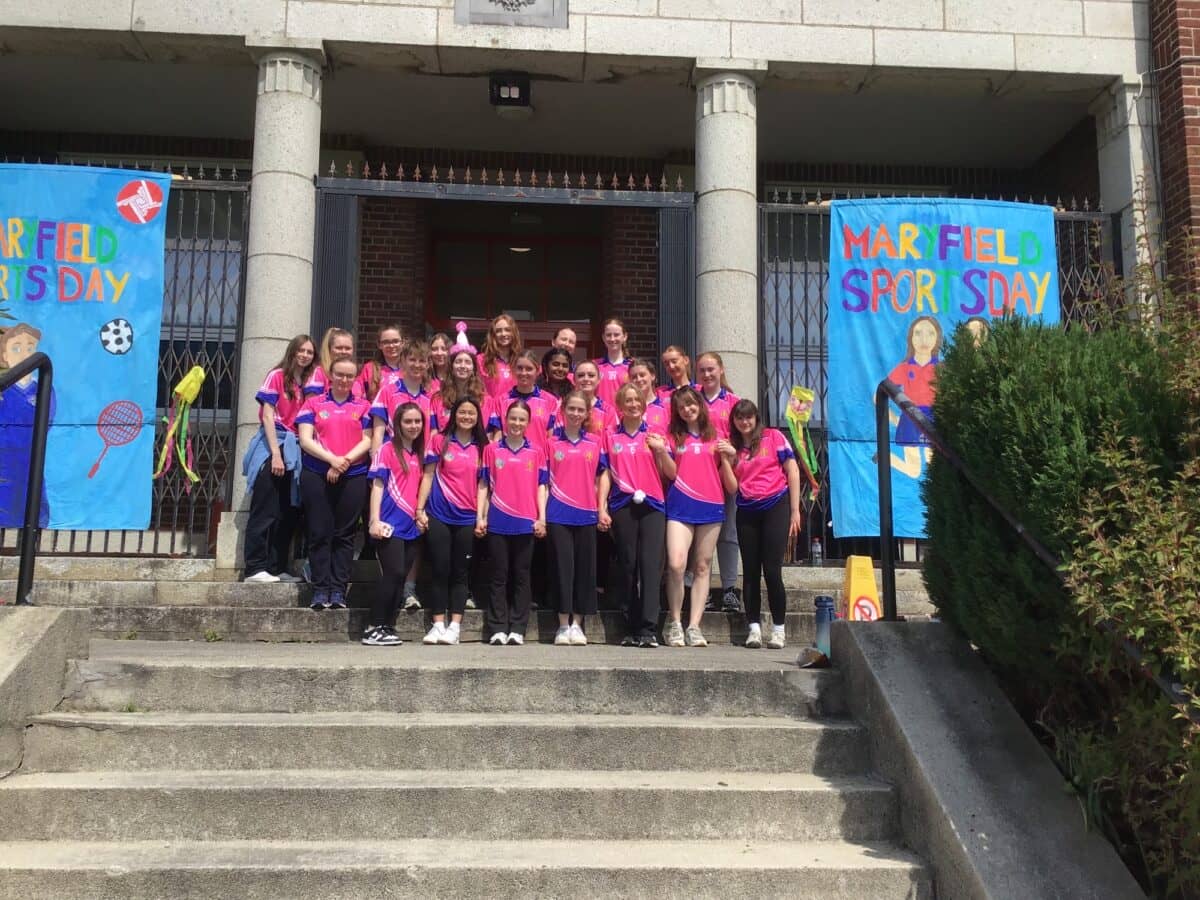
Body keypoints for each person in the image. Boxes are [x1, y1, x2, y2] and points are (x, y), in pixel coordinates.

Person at [660, 387, 737, 648]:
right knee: (676, 564)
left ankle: (694, 625)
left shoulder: (717, 437)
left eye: (691, 404)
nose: (687, 410)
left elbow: (731, 485)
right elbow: (671, 473)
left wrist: (728, 458)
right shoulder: (672, 437)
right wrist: (661, 452)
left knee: (703, 566)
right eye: (681, 407)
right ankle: (674, 622)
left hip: (711, 505)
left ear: (700, 405)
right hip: (679, 506)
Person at [296, 357, 373, 611]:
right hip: (317, 473)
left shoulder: (364, 406)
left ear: (355, 379)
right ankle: (320, 589)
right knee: (319, 532)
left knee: (345, 534)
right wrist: (332, 460)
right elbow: (306, 440)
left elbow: (368, 440)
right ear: (331, 375)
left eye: (350, 376)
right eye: (340, 374)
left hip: (353, 474)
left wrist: (344, 462)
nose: (344, 380)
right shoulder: (313, 403)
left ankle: (338, 590)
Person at [598, 382, 669, 648]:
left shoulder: (655, 435)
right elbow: (605, 473)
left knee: (650, 566)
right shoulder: (609, 436)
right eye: (627, 400)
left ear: (643, 404)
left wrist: (660, 450)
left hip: (653, 505)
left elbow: (671, 473)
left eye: (637, 400)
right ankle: (631, 626)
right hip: (622, 504)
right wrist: (601, 507)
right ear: (620, 405)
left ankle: (649, 628)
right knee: (628, 565)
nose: (633, 404)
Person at [241, 334, 315, 583]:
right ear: (292, 351)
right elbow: (267, 416)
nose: (305, 355)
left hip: (297, 447)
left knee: (287, 511)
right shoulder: (277, 376)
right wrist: (275, 453)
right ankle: (254, 567)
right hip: (276, 443)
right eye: (301, 350)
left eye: (309, 352)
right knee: (265, 508)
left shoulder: (307, 383)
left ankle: (276, 567)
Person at [729, 400, 802, 649]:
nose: (744, 422)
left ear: (756, 418)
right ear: (734, 421)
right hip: (747, 510)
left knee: (772, 570)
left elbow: (792, 471)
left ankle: (779, 630)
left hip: (776, 506)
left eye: (748, 417)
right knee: (750, 572)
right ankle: (754, 629)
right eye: (740, 418)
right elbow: (731, 485)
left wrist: (795, 511)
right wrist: (727, 459)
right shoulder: (733, 446)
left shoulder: (773, 437)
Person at [416, 398, 487, 645]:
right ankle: (437, 625)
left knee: (460, 572)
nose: (466, 417)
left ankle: (455, 626)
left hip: (467, 518)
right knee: (439, 569)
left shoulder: (483, 447)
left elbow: (483, 485)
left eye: (471, 413)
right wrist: (419, 508)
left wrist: (481, 516)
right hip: (439, 514)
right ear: (454, 415)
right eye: (462, 412)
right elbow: (427, 476)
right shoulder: (439, 440)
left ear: (478, 418)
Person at [477, 401, 548, 646]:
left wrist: (541, 518)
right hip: (497, 520)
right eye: (513, 418)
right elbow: (484, 485)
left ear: (528, 423)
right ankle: (497, 627)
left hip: (526, 522)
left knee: (521, 575)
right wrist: (480, 516)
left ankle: (518, 627)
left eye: (522, 419)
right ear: (505, 420)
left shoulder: (536, 451)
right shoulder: (492, 450)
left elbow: (541, 486)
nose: (517, 423)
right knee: (498, 575)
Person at [364, 402, 427, 646]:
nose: (413, 426)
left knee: (401, 578)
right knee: (393, 573)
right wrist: (374, 520)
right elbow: (377, 486)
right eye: (408, 421)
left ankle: (387, 626)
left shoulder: (419, 453)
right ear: (397, 424)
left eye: (417, 421)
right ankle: (373, 627)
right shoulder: (387, 450)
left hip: (411, 525)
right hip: (388, 523)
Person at [545, 391, 605, 646]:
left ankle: (578, 624)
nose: (576, 414)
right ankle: (562, 624)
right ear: (563, 411)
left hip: (586, 513)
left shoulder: (595, 442)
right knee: (562, 568)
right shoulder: (550, 443)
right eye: (572, 409)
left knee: (584, 570)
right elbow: (543, 482)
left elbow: (602, 476)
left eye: (581, 410)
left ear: (587, 413)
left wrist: (601, 508)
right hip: (558, 513)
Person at [696, 351, 742, 614]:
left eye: (711, 369)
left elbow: (745, 435)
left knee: (727, 533)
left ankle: (729, 589)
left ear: (721, 370)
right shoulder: (691, 399)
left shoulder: (734, 402)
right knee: (698, 534)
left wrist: (733, 451)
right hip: (697, 477)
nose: (707, 374)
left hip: (725, 475)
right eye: (702, 370)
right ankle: (696, 589)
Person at [0, 323, 54, 528]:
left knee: (32, 509)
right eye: (16, 348)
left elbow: (45, 420)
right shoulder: (4, 391)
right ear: (5, 356)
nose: (24, 354)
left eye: (30, 348)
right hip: (4, 464)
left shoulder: (44, 388)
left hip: (29, 461)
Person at [888, 315, 943, 479]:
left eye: (930, 333)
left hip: (932, 419)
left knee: (935, 468)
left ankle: (888, 458)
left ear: (937, 338)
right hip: (910, 418)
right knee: (914, 471)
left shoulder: (941, 369)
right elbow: (879, 395)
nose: (924, 339)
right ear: (911, 338)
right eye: (918, 333)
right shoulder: (904, 368)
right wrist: (895, 419)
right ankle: (886, 458)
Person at [487, 350, 558, 456]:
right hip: (508, 460)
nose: (524, 373)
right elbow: (497, 437)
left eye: (529, 369)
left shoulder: (550, 401)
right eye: (520, 368)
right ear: (513, 370)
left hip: (538, 461)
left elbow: (552, 439)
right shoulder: (500, 401)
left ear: (538, 371)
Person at [430, 346, 485, 433]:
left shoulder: (484, 400)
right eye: (458, 362)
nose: (462, 366)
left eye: (467, 362)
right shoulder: (437, 399)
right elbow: (433, 432)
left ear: (473, 369)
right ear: (451, 367)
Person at [305, 327, 359, 398]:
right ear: (329, 349)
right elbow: (311, 402)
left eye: (348, 348)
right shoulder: (319, 373)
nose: (344, 351)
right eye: (339, 348)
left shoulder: (357, 375)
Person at [478, 313, 523, 400]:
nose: (503, 334)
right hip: (491, 408)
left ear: (514, 333)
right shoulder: (481, 360)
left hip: (516, 407)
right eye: (498, 331)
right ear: (493, 335)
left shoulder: (521, 361)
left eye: (507, 330)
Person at [358, 324, 405, 404]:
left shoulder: (411, 369)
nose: (391, 345)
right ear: (379, 345)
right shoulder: (370, 369)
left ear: (402, 342)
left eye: (395, 341)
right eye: (386, 342)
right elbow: (358, 396)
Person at [593, 317, 631, 408]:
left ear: (625, 337)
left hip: (625, 415)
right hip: (599, 415)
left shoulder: (632, 366)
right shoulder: (594, 365)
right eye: (608, 335)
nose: (612, 339)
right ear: (603, 338)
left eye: (616, 335)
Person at [571, 359, 614, 438]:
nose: (586, 379)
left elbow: (610, 441)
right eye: (581, 375)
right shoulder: (565, 408)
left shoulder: (608, 411)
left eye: (591, 375)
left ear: (598, 380)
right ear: (574, 380)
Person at [626, 358, 669, 435]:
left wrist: (662, 443)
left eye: (642, 375)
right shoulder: (626, 408)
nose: (638, 379)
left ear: (652, 376)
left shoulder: (665, 407)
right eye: (634, 377)